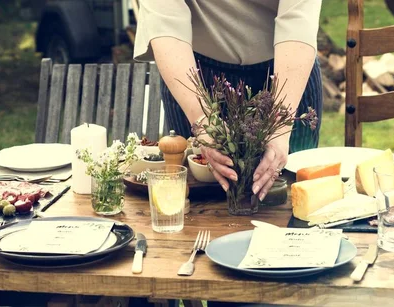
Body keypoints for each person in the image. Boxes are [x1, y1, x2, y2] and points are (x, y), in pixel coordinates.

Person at [134, 0, 323, 201]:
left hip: (289, 72)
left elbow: (298, 20)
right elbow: (166, 26)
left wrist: (280, 123)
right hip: (194, 73)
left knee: (294, 199)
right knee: (198, 207)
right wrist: (201, 118)